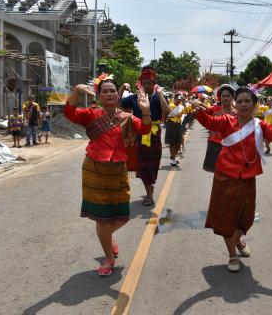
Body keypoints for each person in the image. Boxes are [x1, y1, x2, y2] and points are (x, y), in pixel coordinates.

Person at [193, 86, 272, 273]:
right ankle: (232, 254)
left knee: (245, 219)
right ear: (234, 104)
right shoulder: (226, 121)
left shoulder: (260, 126)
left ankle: (237, 240)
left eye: (247, 101)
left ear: (255, 105)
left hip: (247, 179)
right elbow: (208, 121)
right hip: (224, 177)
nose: (243, 104)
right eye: (239, 101)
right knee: (225, 219)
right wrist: (197, 108)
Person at [65, 74, 152, 276]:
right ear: (99, 95)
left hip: (118, 170)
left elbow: (145, 129)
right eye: (105, 91)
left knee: (122, 216)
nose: (110, 93)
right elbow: (69, 113)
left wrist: (146, 111)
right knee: (102, 219)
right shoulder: (91, 114)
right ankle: (109, 258)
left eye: (113, 90)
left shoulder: (127, 118)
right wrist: (76, 91)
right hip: (93, 169)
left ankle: (107, 236)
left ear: (117, 94)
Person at [120, 66, 171, 206]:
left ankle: (150, 185)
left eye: (150, 83)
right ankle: (149, 194)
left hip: (154, 136)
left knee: (153, 166)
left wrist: (160, 94)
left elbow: (169, 111)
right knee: (143, 166)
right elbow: (118, 104)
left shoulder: (158, 97)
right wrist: (121, 89)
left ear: (154, 84)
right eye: (144, 83)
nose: (147, 85)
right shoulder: (133, 98)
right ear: (140, 84)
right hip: (139, 136)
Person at [202, 84, 236, 172]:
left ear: (232, 97)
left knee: (231, 174)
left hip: (231, 146)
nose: (225, 98)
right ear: (219, 97)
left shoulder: (237, 112)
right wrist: (199, 101)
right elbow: (201, 113)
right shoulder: (213, 109)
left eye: (228, 96)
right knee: (217, 174)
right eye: (223, 96)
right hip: (215, 145)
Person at [165, 94, 191, 167]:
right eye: (179, 98)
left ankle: (173, 156)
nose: (179, 100)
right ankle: (173, 159)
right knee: (172, 142)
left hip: (178, 124)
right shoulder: (170, 105)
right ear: (175, 98)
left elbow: (186, 112)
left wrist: (184, 102)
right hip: (171, 124)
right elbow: (169, 113)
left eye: (181, 99)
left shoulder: (181, 106)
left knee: (179, 141)